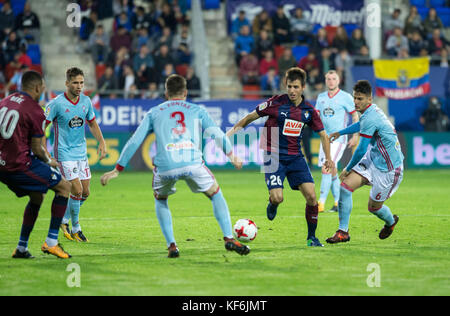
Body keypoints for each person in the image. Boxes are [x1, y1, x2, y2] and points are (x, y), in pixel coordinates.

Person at [100, 74, 250, 258]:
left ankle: (172, 245)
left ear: (166, 93)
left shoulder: (154, 112)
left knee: (161, 199)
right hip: (192, 162)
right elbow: (216, 134)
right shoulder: (197, 110)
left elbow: (135, 140)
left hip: (166, 166)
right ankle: (228, 238)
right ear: (186, 92)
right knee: (215, 193)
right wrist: (231, 155)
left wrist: (118, 169)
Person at [226, 67, 334, 247]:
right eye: (290, 86)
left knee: (312, 197)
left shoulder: (309, 111)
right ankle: (273, 203)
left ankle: (311, 238)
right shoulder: (275, 103)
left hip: (295, 157)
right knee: (277, 198)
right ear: (286, 85)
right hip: (272, 155)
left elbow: (323, 135)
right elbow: (249, 118)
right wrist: (227, 135)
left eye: (296, 87)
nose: (292, 90)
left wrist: (328, 158)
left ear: (303, 87)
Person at [0, 70, 72, 259]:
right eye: (43, 88)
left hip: (2, 164)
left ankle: (21, 248)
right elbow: (38, 149)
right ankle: (51, 243)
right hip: (18, 166)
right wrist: (50, 163)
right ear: (37, 87)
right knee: (65, 186)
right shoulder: (34, 109)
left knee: (37, 196)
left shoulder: (5, 101)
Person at [326, 80, 404, 244]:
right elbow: (361, 124)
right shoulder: (370, 112)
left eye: (360, 99)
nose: (356, 102)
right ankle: (343, 232)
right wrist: (340, 133)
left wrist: (347, 168)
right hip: (374, 159)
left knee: (373, 207)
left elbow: (361, 149)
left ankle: (391, 222)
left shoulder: (371, 116)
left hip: (389, 169)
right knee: (345, 188)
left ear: (370, 99)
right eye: (355, 98)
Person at [45, 67, 107, 242]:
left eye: (81, 83)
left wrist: (102, 142)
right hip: (63, 153)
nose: (79, 86)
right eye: (75, 83)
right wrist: (45, 153)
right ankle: (76, 228)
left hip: (81, 153)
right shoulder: (56, 104)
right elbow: (42, 127)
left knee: (85, 192)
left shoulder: (86, 101)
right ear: (67, 83)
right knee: (77, 190)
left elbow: (93, 124)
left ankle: (63, 220)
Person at [315, 70, 359, 213]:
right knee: (332, 171)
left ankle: (320, 203)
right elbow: (316, 117)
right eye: (328, 79)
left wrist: (355, 135)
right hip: (324, 140)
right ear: (325, 80)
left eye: (334, 79)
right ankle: (337, 202)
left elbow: (355, 116)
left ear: (338, 81)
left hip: (338, 139)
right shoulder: (321, 98)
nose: (331, 81)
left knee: (326, 167)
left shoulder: (345, 97)